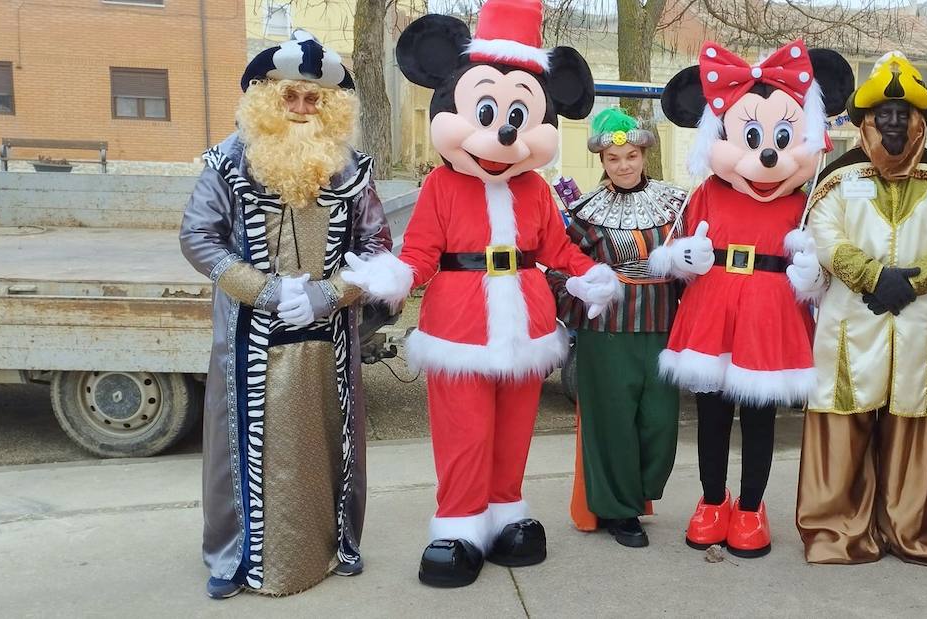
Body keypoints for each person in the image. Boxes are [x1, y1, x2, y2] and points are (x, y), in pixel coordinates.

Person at [341, 2, 619, 588]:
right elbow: (418, 253)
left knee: (515, 427)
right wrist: (393, 277)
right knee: (464, 430)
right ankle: (460, 525)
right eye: (488, 110)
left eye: (519, 113)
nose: (504, 132)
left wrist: (587, 273)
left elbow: (558, 250)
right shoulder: (442, 183)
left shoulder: (536, 189)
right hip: (460, 324)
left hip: (528, 323)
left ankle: (505, 512)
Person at [181, 30, 387, 599]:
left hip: (328, 339)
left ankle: (336, 543)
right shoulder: (227, 163)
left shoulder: (352, 171)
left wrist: (333, 293)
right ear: (268, 100)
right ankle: (233, 558)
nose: (300, 110)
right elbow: (199, 237)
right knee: (240, 444)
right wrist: (263, 290)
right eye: (290, 97)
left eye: (313, 99)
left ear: (330, 105)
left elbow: (376, 246)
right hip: (251, 334)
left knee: (331, 438)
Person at [654, 39, 853, 558]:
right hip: (713, 306)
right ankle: (712, 500)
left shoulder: (802, 200)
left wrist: (812, 274)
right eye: (750, 136)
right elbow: (675, 246)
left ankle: (751, 507)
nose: (767, 154)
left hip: (770, 312)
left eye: (783, 137)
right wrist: (682, 257)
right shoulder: (706, 192)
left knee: (760, 414)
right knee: (713, 412)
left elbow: (818, 268)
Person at [795, 51, 927, 568]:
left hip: (917, 323)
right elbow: (824, 237)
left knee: (914, 428)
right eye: (884, 115)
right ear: (866, 122)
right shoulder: (836, 178)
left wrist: (912, 282)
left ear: (919, 122)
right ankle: (840, 532)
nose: (894, 124)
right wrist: (875, 277)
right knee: (844, 425)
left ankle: (917, 530)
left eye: (904, 115)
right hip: (851, 321)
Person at [546, 107, 688, 548]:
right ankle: (618, 508)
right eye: (613, 158)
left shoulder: (677, 202)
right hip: (606, 331)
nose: (623, 165)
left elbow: (699, 259)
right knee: (612, 423)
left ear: (644, 152)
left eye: (630, 155)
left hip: (663, 325)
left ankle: (640, 493)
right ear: (602, 161)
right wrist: (586, 287)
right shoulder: (585, 212)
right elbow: (556, 267)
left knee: (660, 422)